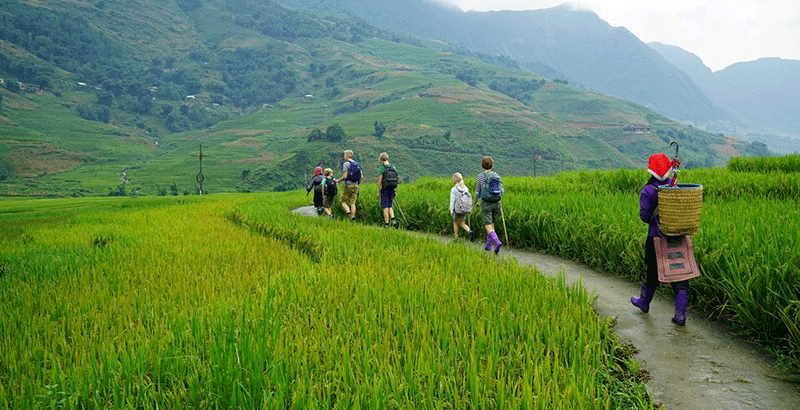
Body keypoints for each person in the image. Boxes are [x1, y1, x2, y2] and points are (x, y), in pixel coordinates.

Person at [631, 153, 690, 326]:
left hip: (656, 237)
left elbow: (644, 216)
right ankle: (680, 315)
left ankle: (643, 303)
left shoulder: (648, 190)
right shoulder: (674, 185)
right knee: (680, 275)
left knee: (651, 273)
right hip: (678, 236)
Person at [475, 156, 504, 254]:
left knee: (487, 224)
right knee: (491, 224)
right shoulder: (497, 176)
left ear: (482, 165)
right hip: (497, 203)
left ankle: (496, 241)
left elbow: (478, 191)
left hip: (486, 203)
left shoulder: (480, 176)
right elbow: (502, 190)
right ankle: (488, 245)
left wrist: (475, 201)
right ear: (492, 164)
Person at [337, 150, 362, 222]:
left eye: (344, 155)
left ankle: (349, 214)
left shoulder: (346, 164)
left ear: (347, 156)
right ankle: (353, 216)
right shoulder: (357, 164)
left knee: (343, 201)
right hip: (356, 185)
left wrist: (338, 180)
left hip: (348, 185)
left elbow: (344, 176)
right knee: (352, 203)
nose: (344, 156)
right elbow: (361, 176)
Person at [376, 152, 398, 228]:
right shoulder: (393, 167)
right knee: (390, 206)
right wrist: (395, 190)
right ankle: (393, 220)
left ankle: (386, 224)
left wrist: (378, 191)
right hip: (392, 188)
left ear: (381, 160)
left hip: (385, 189)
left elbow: (380, 181)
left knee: (385, 206)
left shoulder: (382, 168)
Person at [449, 172, 474, 241]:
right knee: (462, 223)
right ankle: (469, 231)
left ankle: (456, 237)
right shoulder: (465, 188)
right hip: (464, 208)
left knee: (455, 222)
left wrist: (451, 210)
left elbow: (452, 200)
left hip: (456, 208)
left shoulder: (454, 189)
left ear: (455, 179)